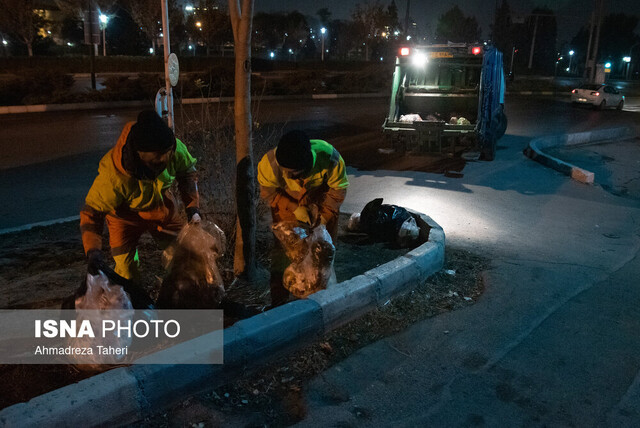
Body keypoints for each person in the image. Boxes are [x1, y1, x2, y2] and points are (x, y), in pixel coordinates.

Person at [80, 110, 200, 282]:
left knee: (183, 254)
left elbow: (187, 174)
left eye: (167, 153)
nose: (164, 160)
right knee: (126, 269)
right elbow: (92, 213)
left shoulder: (173, 148)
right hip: (123, 217)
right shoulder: (114, 175)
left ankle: (179, 293)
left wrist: (192, 207)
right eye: (157, 158)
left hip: (160, 209)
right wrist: (93, 251)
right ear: (138, 154)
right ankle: (132, 300)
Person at [257, 130, 349, 306]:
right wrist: (294, 208)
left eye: (294, 173)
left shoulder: (330, 158)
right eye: (285, 172)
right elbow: (269, 193)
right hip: (287, 202)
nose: (288, 176)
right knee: (284, 252)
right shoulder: (269, 164)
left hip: (321, 201)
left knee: (322, 252)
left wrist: (322, 220)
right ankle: (279, 301)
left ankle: (319, 300)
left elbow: (337, 192)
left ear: (307, 167)